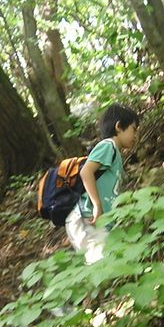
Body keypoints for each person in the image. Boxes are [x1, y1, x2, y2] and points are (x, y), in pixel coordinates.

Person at [65, 103, 139, 264]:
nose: (135, 135)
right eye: (134, 129)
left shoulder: (115, 153)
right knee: (101, 265)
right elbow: (86, 172)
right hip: (87, 217)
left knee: (109, 264)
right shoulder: (108, 146)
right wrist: (97, 204)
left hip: (98, 221)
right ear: (119, 127)